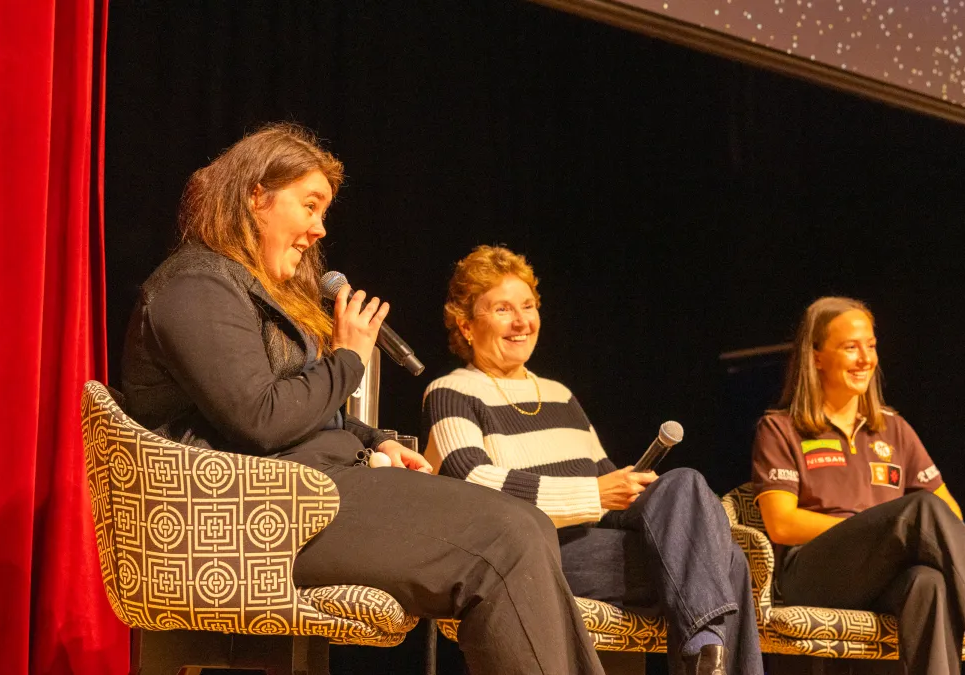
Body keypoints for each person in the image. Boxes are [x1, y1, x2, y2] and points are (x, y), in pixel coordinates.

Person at [120, 124, 604, 675]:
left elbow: (301, 410)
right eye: (309, 205)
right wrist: (348, 359)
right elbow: (260, 419)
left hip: (310, 491)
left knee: (527, 524)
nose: (317, 229)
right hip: (260, 518)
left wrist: (372, 439)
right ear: (256, 196)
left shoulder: (245, 287)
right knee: (508, 538)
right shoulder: (194, 287)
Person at [423, 245, 765, 675]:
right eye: (502, 309)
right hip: (533, 557)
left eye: (528, 306)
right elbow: (472, 481)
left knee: (684, 484)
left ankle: (704, 648)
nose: (521, 321)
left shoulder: (560, 395)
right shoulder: (452, 391)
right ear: (466, 325)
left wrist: (657, 498)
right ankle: (705, 652)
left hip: (598, 545)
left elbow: (611, 487)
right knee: (722, 559)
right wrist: (594, 493)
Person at [751, 296, 965, 675]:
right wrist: (876, 528)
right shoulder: (780, 428)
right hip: (814, 573)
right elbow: (781, 523)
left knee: (928, 583)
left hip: (883, 575)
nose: (866, 359)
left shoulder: (893, 429)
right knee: (919, 511)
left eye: (871, 346)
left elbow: (952, 511)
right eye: (851, 347)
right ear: (815, 356)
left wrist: (890, 534)